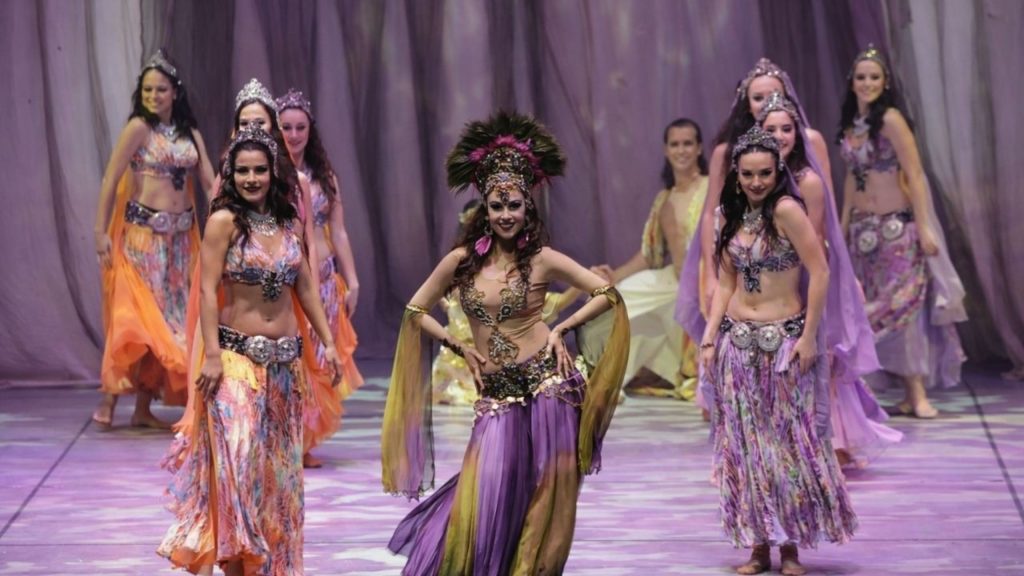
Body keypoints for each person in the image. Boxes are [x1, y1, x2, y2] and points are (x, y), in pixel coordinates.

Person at [381, 111, 629, 575]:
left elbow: (606, 292)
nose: (506, 215)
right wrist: (458, 348)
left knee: (545, 496)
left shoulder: (541, 260)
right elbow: (415, 311)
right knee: (487, 491)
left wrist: (562, 327)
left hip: (550, 387)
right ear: (484, 209)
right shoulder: (461, 262)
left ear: (527, 206)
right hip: (496, 396)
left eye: (514, 204)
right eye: (497, 206)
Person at [158, 126, 341, 575]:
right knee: (238, 466)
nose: (252, 178)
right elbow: (204, 291)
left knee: (277, 479)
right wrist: (213, 356)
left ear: (273, 172)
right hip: (237, 362)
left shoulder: (287, 222)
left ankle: (270, 568)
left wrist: (330, 344)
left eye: (260, 170)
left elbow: (306, 290)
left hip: (285, 368)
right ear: (231, 174)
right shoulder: (224, 222)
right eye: (242, 171)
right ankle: (237, 565)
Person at [701, 126, 856, 575]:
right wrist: (711, 336)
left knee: (787, 446)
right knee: (746, 448)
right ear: (736, 174)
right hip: (737, 342)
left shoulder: (787, 210)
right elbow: (726, 281)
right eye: (748, 174)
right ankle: (758, 546)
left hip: (783, 343)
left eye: (764, 173)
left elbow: (820, 271)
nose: (756, 183)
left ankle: (789, 545)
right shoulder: (728, 213)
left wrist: (809, 337)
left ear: (777, 171)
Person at [758, 92, 902, 467]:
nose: (779, 136)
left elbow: (816, 244)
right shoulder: (758, 176)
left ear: (797, 133)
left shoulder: (807, 181)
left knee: (816, 356)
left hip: (806, 277)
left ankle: (827, 439)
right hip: (773, 281)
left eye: (786, 129)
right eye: (770, 129)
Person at [838, 46, 967, 418]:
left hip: (897, 228)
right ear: (852, 83)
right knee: (871, 307)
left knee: (903, 308)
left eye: (874, 77)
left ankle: (918, 392)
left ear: (886, 82)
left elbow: (914, 173)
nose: (867, 83)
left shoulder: (891, 119)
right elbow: (851, 178)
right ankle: (899, 394)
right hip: (864, 232)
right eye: (861, 77)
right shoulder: (851, 125)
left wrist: (925, 225)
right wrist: (844, 224)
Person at [93, 50, 215, 430]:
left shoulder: (189, 133)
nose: (153, 96)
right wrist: (100, 232)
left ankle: (143, 409)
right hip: (142, 240)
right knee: (135, 320)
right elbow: (111, 181)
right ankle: (109, 401)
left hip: (180, 243)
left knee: (171, 322)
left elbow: (210, 183)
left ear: (174, 92)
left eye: (160, 89)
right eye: (147, 89)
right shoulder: (137, 129)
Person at [277, 88, 364, 468]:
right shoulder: (268, 173)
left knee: (319, 360)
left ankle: (305, 441)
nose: (294, 135)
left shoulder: (324, 176)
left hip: (326, 281)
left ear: (311, 131)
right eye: (286, 127)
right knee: (294, 359)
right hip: (288, 282)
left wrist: (353, 278)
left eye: (300, 128)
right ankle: (286, 439)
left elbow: (338, 231)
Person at [595, 118, 708, 400]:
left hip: (706, 284)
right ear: (666, 150)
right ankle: (609, 380)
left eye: (687, 144)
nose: (681, 150)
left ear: (699, 149)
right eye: (675, 144)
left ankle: (695, 374)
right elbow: (650, 253)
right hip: (673, 281)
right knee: (617, 299)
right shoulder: (664, 199)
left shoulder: (710, 188)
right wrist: (615, 276)